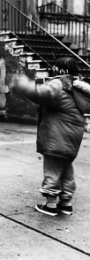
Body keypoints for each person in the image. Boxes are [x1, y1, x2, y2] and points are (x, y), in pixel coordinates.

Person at [14, 57, 86, 216]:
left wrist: (22, 83)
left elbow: (42, 93)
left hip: (57, 135)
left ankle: (51, 204)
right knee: (66, 168)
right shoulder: (75, 85)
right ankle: (66, 203)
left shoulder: (59, 84)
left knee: (52, 168)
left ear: (59, 69)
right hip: (72, 137)